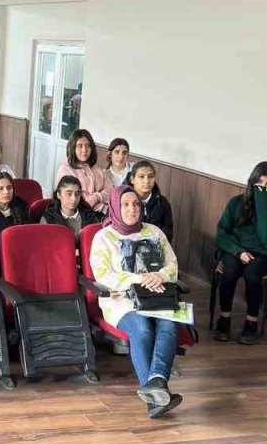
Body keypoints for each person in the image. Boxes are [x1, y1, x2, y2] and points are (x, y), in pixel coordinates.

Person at [89, 185, 183, 419]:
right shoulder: (104, 237)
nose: (132, 209)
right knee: (142, 330)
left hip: (158, 293)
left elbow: (172, 265)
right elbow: (104, 275)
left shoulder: (154, 233)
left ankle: (157, 384)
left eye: (136, 204)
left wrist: (159, 276)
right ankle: (156, 395)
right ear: (115, 207)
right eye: (125, 204)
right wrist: (141, 279)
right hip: (121, 300)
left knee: (169, 325)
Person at [213, 161, 267, 345]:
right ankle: (224, 318)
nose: (262, 189)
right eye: (259, 184)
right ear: (252, 182)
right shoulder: (236, 203)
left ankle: (251, 322)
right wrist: (239, 252)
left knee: (253, 273)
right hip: (235, 248)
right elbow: (222, 234)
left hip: (264, 253)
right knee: (229, 270)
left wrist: (264, 205)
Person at [57, 129, 112, 214]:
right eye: (80, 146)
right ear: (73, 148)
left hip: (102, 214)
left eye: (87, 145)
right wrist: (102, 205)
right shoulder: (65, 170)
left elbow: (111, 190)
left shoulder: (98, 170)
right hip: (78, 216)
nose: (84, 150)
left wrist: (97, 197)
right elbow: (79, 201)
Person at [126, 161, 173, 242]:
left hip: (154, 246)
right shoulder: (122, 200)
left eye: (151, 176)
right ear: (132, 179)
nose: (147, 181)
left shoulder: (163, 202)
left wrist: (153, 239)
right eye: (141, 176)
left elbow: (169, 231)